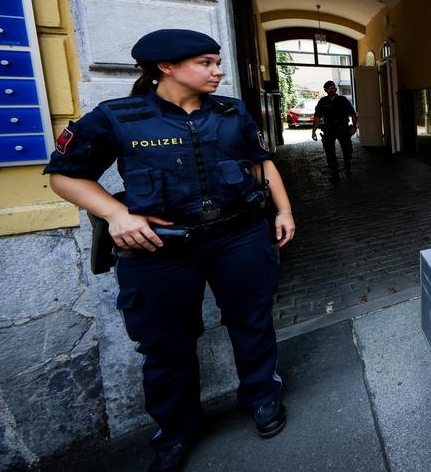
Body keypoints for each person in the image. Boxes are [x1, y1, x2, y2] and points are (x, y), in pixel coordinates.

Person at [43, 30, 295, 472]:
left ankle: (262, 395)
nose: (218, 71)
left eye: (217, 62)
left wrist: (283, 210)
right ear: (166, 67)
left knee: (252, 322)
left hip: (238, 236)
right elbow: (64, 174)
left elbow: (261, 162)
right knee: (165, 346)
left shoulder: (231, 111)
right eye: (206, 63)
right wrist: (117, 214)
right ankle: (177, 427)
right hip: (160, 250)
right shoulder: (118, 117)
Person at [311, 80, 357, 175]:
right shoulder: (323, 101)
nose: (331, 90)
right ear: (326, 90)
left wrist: (354, 126)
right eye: (329, 89)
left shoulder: (343, 100)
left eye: (333, 88)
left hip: (343, 128)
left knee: (347, 149)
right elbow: (317, 117)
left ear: (335, 89)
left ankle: (347, 167)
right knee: (329, 151)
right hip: (329, 129)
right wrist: (313, 131)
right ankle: (334, 171)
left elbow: (353, 113)